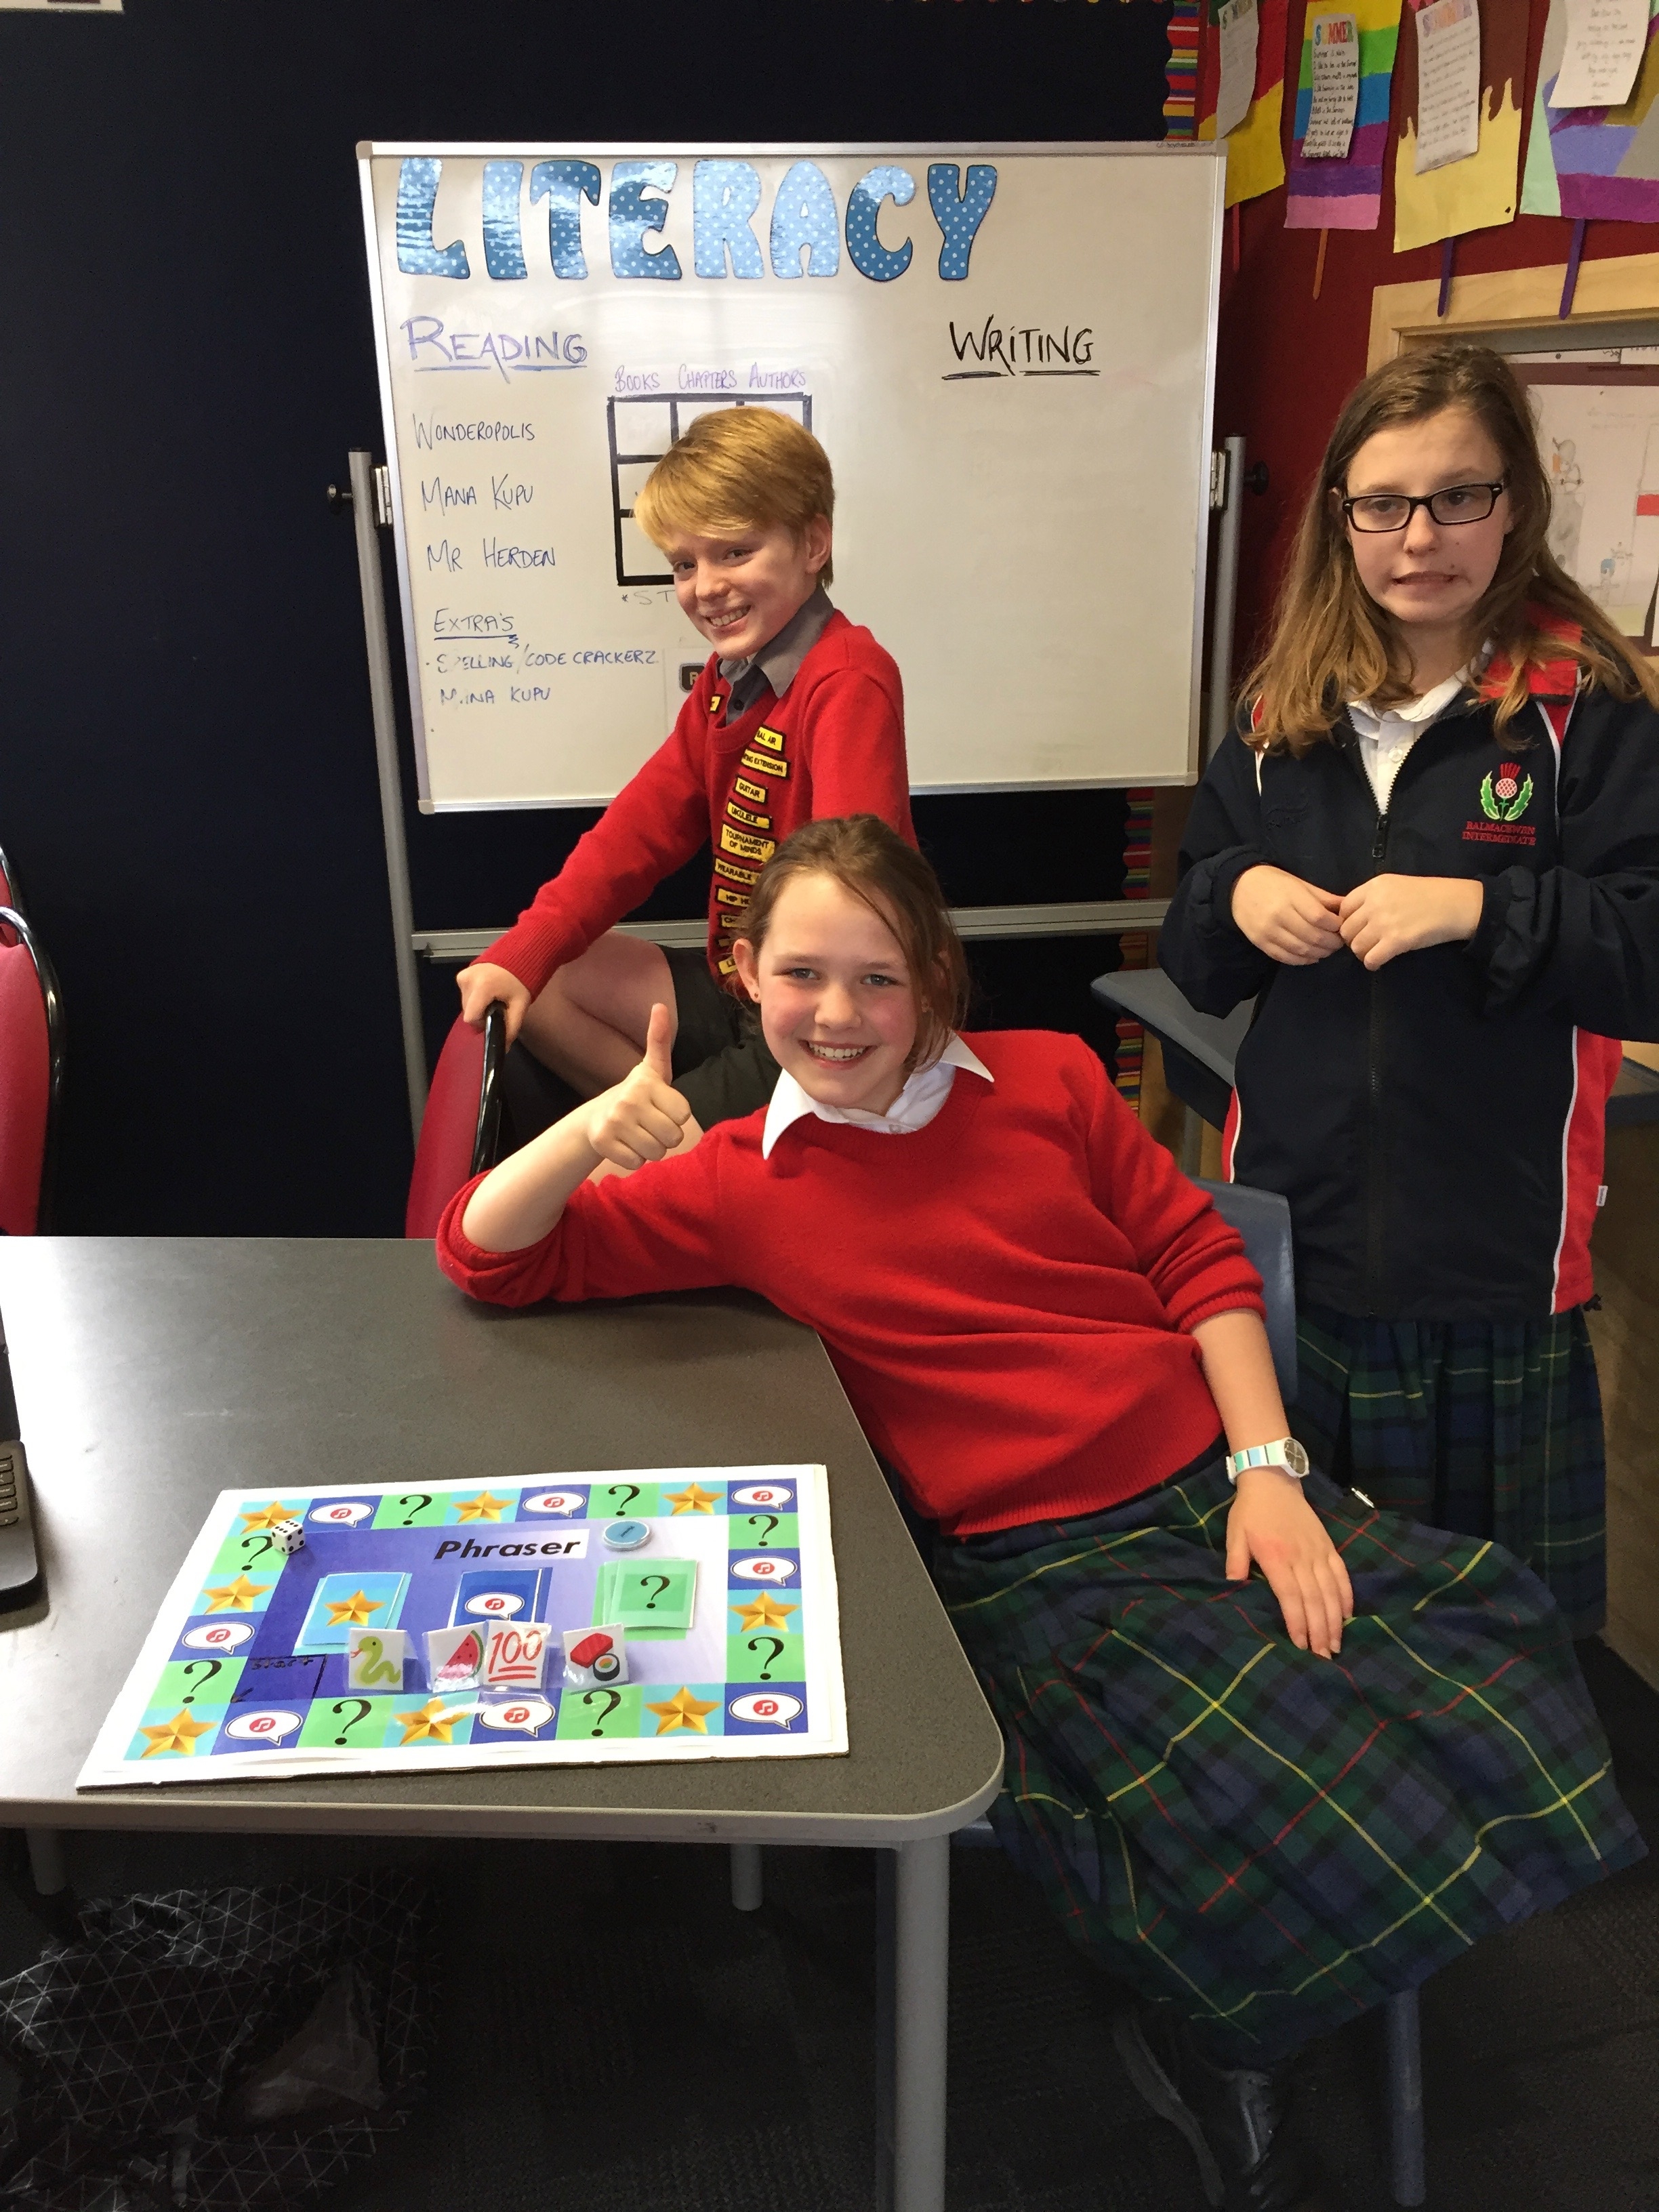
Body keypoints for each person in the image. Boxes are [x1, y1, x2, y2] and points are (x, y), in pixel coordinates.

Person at [436, 813, 1641, 2212]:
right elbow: (484, 1255)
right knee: (1242, 1777)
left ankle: (1297, 1967)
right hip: (1035, 1554)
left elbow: (1196, 1258)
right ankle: (1235, 2033)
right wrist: (589, 1131)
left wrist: (1268, 1471)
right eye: (802, 974)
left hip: (1208, 1484)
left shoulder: (1051, 1077)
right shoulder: (731, 1178)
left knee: (1489, 1652)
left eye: (879, 977)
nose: (839, 1013)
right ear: (745, 974)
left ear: (934, 979)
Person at [1160, 343, 1659, 1641]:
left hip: (1490, 1265)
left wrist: (1478, 910)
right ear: (1341, 516)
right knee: (1303, 1621)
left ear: (1516, 504)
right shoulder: (1277, 711)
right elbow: (1190, 946)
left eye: (1456, 496)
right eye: (1381, 503)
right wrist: (1234, 894)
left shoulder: (1590, 707)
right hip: (1300, 1244)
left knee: (1490, 1636)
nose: (1417, 537)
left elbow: (1646, 949)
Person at [455, 405, 912, 1140]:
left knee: (597, 1177)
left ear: (813, 544)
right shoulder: (729, 681)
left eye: (735, 552)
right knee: (545, 982)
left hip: (817, 1016)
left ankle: (686, 1149)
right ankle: (688, 1143)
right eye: (685, 564)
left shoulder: (848, 676)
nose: (706, 586)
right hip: (746, 988)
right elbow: (640, 828)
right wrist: (524, 952)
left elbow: (856, 900)